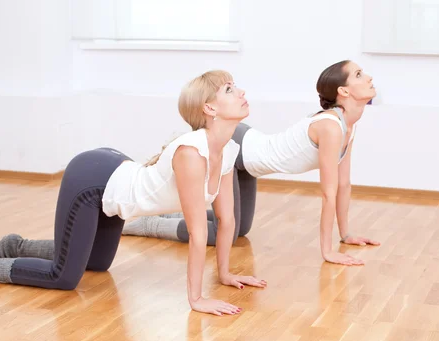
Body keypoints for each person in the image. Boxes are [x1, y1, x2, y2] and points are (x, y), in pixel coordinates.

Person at [0, 70, 267, 316]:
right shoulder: (192, 153)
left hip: (114, 182)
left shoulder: (226, 150)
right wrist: (196, 299)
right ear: (210, 108)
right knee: (64, 277)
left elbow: (227, 222)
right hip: (92, 181)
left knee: (97, 263)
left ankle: (12, 245)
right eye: (229, 89)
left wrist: (225, 274)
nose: (241, 92)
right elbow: (198, 234)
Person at [121, 60, 380, 266]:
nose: (368, 77)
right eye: (359, 74)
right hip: (241, 147)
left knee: (240, 229)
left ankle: (168, 214)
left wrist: (346, 235)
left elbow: (343, 185)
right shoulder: (331, 127)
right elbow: (328, 192)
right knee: (224, 232)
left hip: (251, 157)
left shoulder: (348, 127)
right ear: (343, 91)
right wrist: (328, 251)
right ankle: (148, 223)